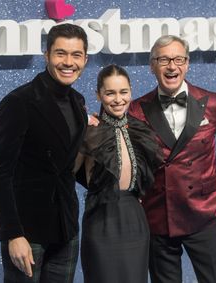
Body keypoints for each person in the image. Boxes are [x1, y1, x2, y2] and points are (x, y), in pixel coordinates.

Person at [128, 35, 216, 283]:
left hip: (204, 214)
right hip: (158, 217)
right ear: (152, 65)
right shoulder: (136, 109)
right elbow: (129, 161)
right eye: (164, 59)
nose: (172, 66)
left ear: (188, 63)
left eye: (179, 59)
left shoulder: (212, 102)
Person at [0, 24, 90, 283]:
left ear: (85, 59)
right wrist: (12, 234)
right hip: (27, 234)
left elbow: (68, 165)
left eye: (76, 55)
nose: (68, 62)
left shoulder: (78, 102)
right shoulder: (19, 102)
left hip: (66, 230)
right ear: (47, 56)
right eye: (60, 54)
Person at [75, 65, 162, 283]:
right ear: (98, 95)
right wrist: (78, 127)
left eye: (123, 92)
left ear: (131, 91)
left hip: (135, 221)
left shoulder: (141, 130)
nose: (118, 99)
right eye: (110, 93)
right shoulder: (89, 131)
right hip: (101, 221)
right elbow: (65, 173)